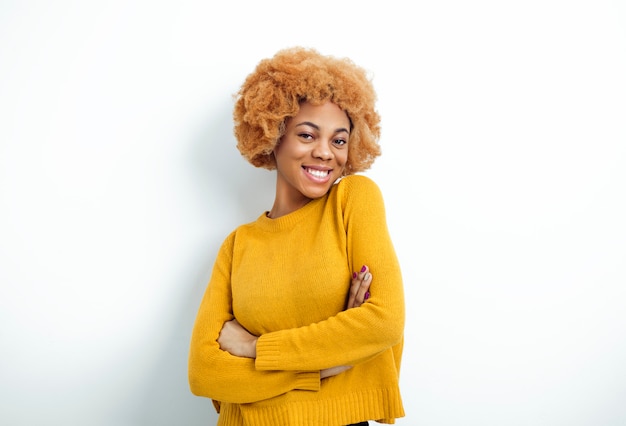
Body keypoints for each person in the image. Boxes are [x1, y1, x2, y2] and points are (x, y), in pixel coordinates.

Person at [188, 46, 405, 426]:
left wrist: (256, 348)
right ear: (273, 135)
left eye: (339, 140)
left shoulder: (353, 200)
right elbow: (205, 372)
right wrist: (323, 365)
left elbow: (384, 321)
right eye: (307, 135)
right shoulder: (239, 245)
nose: (325, 153)